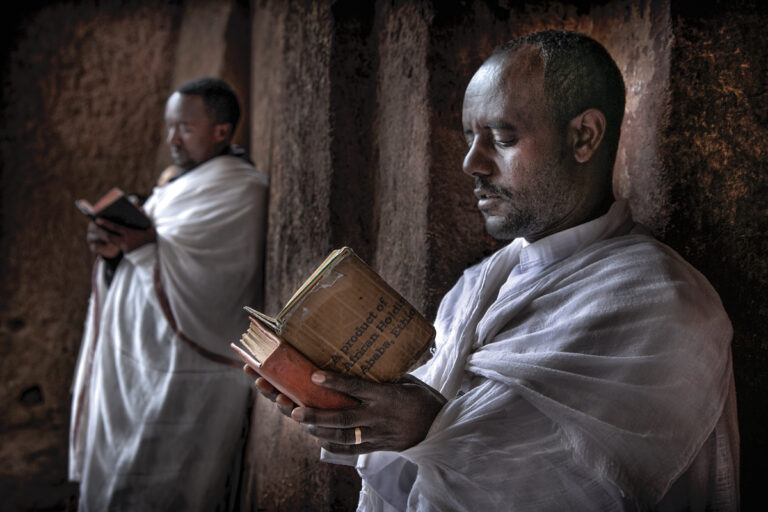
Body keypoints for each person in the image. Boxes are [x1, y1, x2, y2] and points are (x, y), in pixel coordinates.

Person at [249, 30, 739, 511]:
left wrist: (430, 429)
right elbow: (416, 488)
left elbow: (578, 488)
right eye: (469, 138)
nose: (471, 163)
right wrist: (357, 413)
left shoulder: (663, 302)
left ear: (584, 136)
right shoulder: (471, 290)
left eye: (502, 138)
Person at [69, 78, 269, 510]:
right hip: (132, 364)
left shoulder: (241, 188)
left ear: (221, 130)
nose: (171, 139)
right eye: (169, 126)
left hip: (187, 372)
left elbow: (213, 280)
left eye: (184, 128)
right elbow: (156, 250)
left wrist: (141, 248)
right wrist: (112, 253)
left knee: (163, 488)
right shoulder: (177, 183)